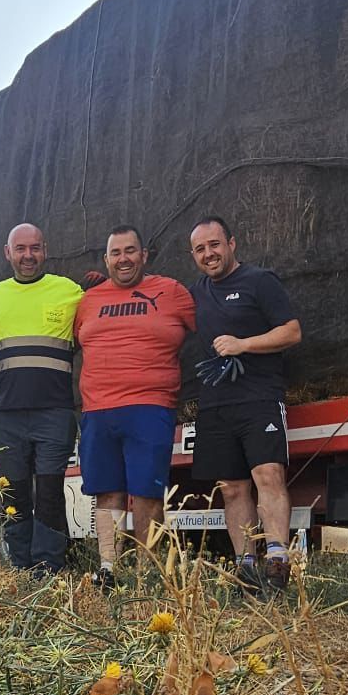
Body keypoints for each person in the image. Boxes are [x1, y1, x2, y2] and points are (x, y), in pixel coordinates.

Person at [74, 225, 195, 585]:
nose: (123, 259)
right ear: (106, 259)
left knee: (146, 491)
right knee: (107, 490)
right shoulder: (88, 301)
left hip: (151, 407)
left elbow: (211, 323)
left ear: (144, 255)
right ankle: (108, 568)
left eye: (130, 251)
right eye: (116, 253)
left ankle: (147, 572)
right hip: (97, 410)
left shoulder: (173, 292)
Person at [188, 215, 302, 590]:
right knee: (232, 488)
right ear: (194, 255)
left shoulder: (259, 281)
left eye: (215, 244)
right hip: (215, 405)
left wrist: (243, 344)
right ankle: (246, 566)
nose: (209, 254)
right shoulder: (197, 292)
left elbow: (292, 331)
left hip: (259, 397)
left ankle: (278, 562)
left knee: (267, 475)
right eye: (201, 249)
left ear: (232, 244)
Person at [0, 223, 83, 574]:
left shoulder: (70, 292)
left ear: (45, 250)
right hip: (6, 414)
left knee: (50, 490)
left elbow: (100, 315)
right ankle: (20, 567)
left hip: (55, 412)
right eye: (20, 249)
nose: (28, 255)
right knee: (15, 492)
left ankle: (48, 568)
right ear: (7, 253)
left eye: (35, 248)